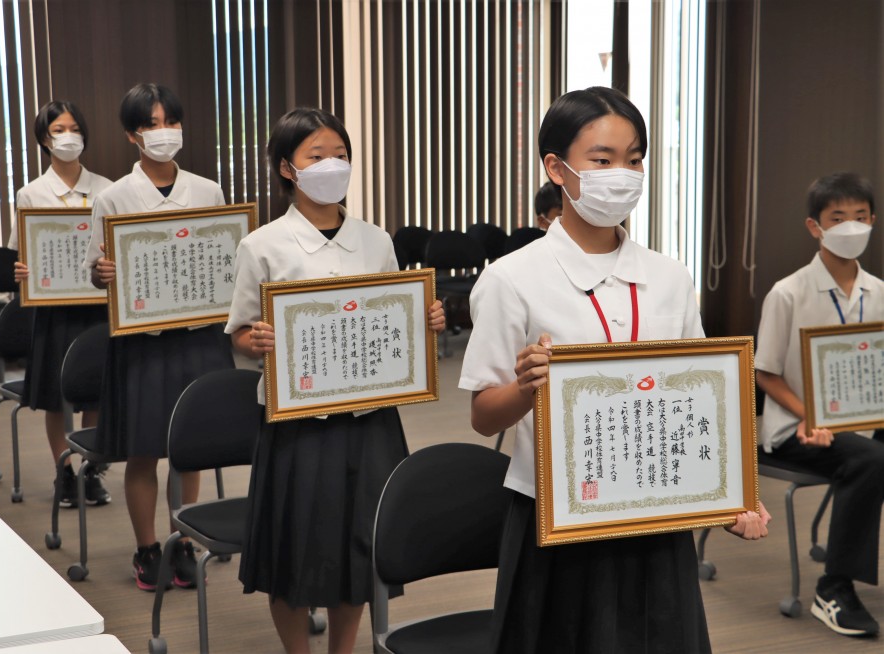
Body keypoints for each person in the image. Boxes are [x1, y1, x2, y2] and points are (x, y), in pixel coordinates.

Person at [459, 86, 770, 653]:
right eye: (601, 160)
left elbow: (705, 398)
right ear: (556, 168)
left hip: (656, 510)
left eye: (633, 160)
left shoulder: (669, 276)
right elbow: (483, 416)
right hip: (557, 519)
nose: (620, 174)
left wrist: (734, 494)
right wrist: (528, 390)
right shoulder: (511, 278)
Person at [226, 108, 445, 654]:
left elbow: (396, 319)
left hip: (369, 421)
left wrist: (426, 319)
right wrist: (256, 341)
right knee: (294, 551)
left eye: (340, 155)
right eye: (316, 156)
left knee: (358, 550)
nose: (332, 165)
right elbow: (238, 334)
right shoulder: (263, 246)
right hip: (298, 425)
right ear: (287, 169)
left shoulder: (376, 242)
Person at [85, 83, 234, 592]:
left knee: (188, 446)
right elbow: (96, 269)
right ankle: (148, 548)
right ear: (132, 134)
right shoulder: (112, 197)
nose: (163, 131)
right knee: (144, 450)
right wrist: (101, 274)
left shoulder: (208, 190)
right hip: (143, 340)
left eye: (170, 120)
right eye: (150, 123)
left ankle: (183, 540)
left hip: (197, 336)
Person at [755, 172, 884, 638]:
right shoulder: (788, 293)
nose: (851, 226)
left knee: (869, 451)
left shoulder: (879, 292)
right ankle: (833, 590)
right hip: (793, 431)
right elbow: (764, 371)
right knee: (870, 459)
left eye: (860, 216)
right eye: (838, 217)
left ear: (873, 221)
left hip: (856, 423)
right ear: (815, 227)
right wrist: (810, 414)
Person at [11, 101, 113, 508]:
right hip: (53, 309)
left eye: (74, 128)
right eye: (58, 129)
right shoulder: (30, 193)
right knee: (57, 395)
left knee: (94, 391)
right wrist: (21, 271)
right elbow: (22, 252)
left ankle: (89, 470)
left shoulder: (108, 188)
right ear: (43, 139)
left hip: (97, 306)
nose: (68, 135)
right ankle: (63, 473)